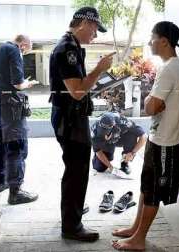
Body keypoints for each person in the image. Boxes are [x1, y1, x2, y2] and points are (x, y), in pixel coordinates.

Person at [112, 21, 179, 250]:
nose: (149, 42)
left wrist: (148, 101)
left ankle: (139, 240)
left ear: (164, 41)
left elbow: (151, 107)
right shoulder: (168, 66)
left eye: (152, 37)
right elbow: (155, 105)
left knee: (154, 192)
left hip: (168, 142)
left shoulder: (169, 69)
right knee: (146, 187)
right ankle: (136, 229)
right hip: (157, 137)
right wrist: (151, 102)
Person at [49, 7, 115, 242]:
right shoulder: (67, 48)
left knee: (75, 170)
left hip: (72, 117)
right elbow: (77, 92)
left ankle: (72, 212)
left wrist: (97, 79)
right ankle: (71, 226)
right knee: (76, 172)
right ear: (85, 23)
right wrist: (99, 70)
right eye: (95, 29)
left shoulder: (72, 45)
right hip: (70, 120)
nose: (95, 35)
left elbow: (77, 87)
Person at [0, 34, 39, 205]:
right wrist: (28, 84)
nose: (24, 53)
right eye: (27, 50)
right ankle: (15, 191)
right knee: (17, 145)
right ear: (24, 45)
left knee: (2, 142)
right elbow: (18, 84)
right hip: (11, 106)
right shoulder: (14, 50)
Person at [91, 112, 146, 176]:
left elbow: (143, 136)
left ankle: (125, 163)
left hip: (119, 138)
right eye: (102, 131)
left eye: (106, 131)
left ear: (114, 125)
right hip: (106, 143)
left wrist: (133, 152)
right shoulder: (94, 130)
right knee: (99, 168)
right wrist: (111, 168)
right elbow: (98, 151)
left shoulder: (122, 122)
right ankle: (100, 158)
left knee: (132, 134)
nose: (104, 133)